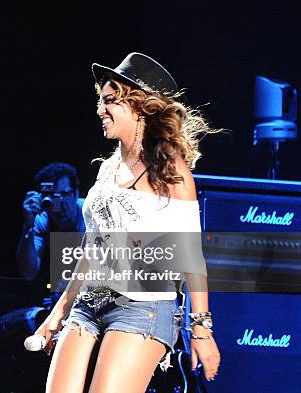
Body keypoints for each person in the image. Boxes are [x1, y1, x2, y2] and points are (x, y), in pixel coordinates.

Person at [33, 53, 220, 393]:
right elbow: (92, 249)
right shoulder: (108, 169)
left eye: (109, 101)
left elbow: (191, 256)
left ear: (139, 107)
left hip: (143, 307)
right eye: (100, 101)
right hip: (89, 303)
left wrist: (202, 329)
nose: (100, 110)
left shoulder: (171, 170)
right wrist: (57, 313)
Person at [17, 162, 85, 281]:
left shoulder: (94, 215)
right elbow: (28, 273)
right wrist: (28, 226)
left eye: (64, 194)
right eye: (52, 196)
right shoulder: (41, 221)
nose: (60, 202)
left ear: (76, 193)